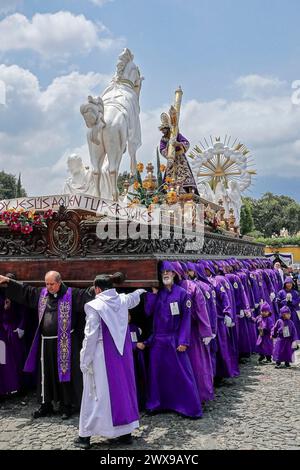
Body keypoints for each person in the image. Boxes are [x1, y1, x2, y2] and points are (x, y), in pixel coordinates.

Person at [0, 271, 94, 419]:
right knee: (46, 374)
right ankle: (46, 404)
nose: (48, 287)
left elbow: (88, 296)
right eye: (47, 284)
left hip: (65, 343)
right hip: (46, 343)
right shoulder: (42, 294)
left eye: (51, 284)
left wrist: (97, 288)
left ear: (59, 282)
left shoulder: (72, 294)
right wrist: (8, 282)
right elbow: (26, 291)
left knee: (64, 374)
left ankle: (66, 405)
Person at [75, 273, 145, 449]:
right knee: (123, 391)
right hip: (122, 356)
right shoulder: (122, 300)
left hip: (101, 356)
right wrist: (143, 289)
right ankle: (125, 433)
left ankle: (85, 437)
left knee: (95, 394)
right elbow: (134, 298)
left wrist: (84, 359)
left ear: (97, 289)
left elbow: (90, 336)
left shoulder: (94, 306)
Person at [143, 261, 202, 418]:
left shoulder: (182, 293)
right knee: (157, 373)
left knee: (182, 373)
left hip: (174, 339)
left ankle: (188, 407)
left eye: (169, 272)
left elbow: (186, 319)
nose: (165, 274)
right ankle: (156, 404)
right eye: (163, 272)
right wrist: (153, 295)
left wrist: (184, 341)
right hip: (158, 339)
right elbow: (148, 312)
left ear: (175, 274)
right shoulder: (159, 293)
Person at [0, 273, 27, 398]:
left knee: (16, 359)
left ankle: (18, 386)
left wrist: (20, 328)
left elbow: (23, 313)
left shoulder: (18, 296)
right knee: (4, 360)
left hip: (13, 331)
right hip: (3, 331)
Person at [159, 118, 198, 194]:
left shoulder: (177, 135)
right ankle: (170, 191)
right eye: (162, 130)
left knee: (185, 174)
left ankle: (188, 192)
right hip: (171, 159)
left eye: (164, 129)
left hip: (180, 158)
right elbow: (161, 149)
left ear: (168, 128)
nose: (163, 131)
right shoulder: (163, 139)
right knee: (169, 176)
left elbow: (186, 143)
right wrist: (168, 148)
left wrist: (178, 143)